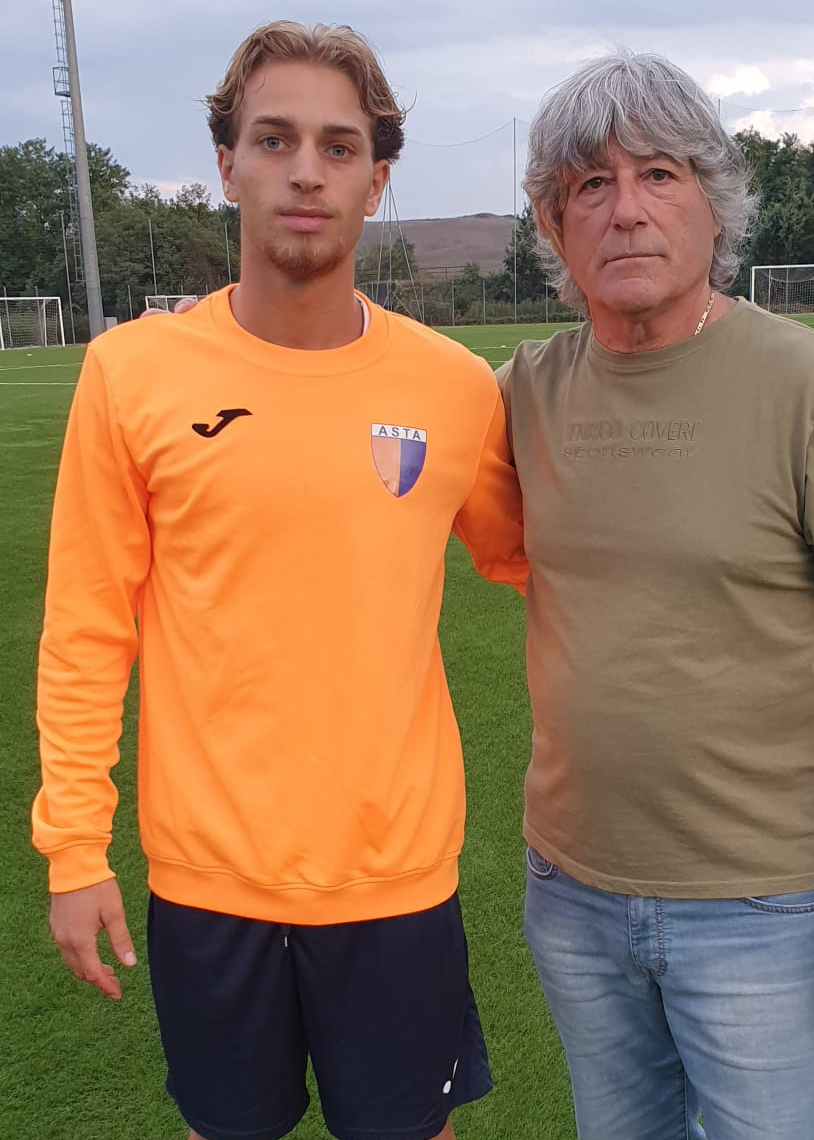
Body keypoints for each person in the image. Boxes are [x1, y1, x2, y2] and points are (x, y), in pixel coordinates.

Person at [33, 21, 527, 1140]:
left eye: (339, 146)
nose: (307, 170)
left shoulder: (452, 388)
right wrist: (74, 847)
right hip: (208, 881)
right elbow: (86, 627)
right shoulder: (130, 375)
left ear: (377, 179)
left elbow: (531, 558)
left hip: (394, 876)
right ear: (228, 164)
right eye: (275, 139)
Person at [500, 51, 814, 1140]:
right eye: (590, 185)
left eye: (659, 174)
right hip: (572, 895)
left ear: (714, 203)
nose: (627, 210)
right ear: (554, 224)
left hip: (762, 911)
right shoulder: (520, 395)